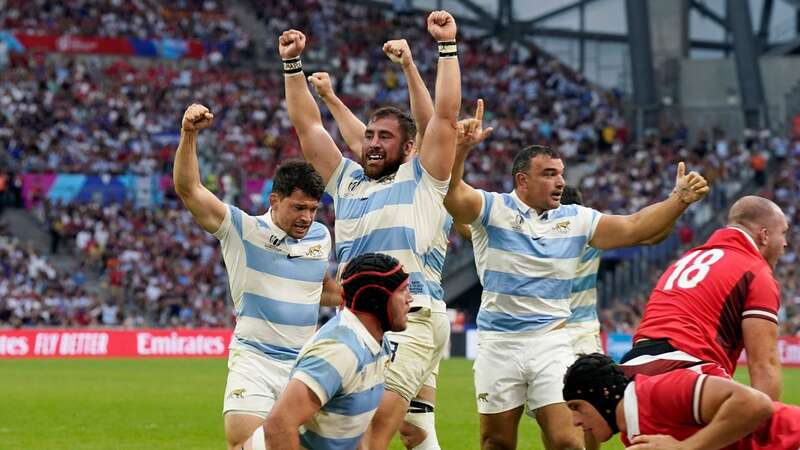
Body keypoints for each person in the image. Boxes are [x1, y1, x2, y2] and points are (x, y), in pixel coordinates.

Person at [443, 104, 710, 450]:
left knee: (569, 441)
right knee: (496, 443)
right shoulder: (492, 209)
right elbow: (451, 193)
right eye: (550, 174)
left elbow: (634, 226)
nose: (561, 182)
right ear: (522, 180)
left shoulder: (578, 219)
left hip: (551, 344)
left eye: (561, 173)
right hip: (498, 345)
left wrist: (678, 200)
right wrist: (461, 149)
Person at [279, 10, 460, 450]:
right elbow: (308, 126)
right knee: (415, 431)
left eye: (385, 137)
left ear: (408, 148)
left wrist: (446, 48)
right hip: (364, 317)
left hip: (409, 315)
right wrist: (292, 66)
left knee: (370, 428)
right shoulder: (346, 180)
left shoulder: (421, 178)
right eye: (370, 136)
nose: (373, 143)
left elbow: (445, 117)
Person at [173, 104, 338, 450]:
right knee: (244, 444)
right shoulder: (243, 229)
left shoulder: (320, 237)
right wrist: (189, 135)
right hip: (255, 361)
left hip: (304, 367)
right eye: (298, 207)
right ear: (274, 200)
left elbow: (320, 289)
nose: (307, 217)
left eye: (313, 209)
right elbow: (189, 189)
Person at [620, 195, 788, 401]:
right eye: (783, 233)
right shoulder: (755, 270)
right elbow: (764, 365)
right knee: (771, 422)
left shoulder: (687, 258)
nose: (785, 243)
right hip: (686, 369)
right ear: (764, 236)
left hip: (632, 371)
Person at [265, 253, 413, 450]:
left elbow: (351, 429)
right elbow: (278, 426)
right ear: (378, 299)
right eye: (402, 291)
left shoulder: (378, 343)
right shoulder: (340, 350)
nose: (410, 299)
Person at [563, 353, 800, 450]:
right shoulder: (633, 435)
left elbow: (757, 404)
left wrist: (683, 448)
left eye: (577, 407)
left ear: (603, 394)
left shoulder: (657, 392)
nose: (574, 421)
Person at [560, 186, 674, 355]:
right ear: (580, 208)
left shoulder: (536, 236)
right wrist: (673, 205)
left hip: (545, 333)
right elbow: (651, 235)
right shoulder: (590, 233)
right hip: (581, 334)